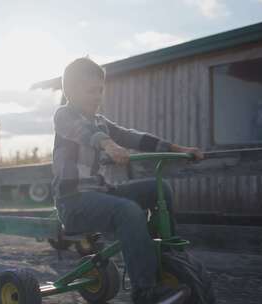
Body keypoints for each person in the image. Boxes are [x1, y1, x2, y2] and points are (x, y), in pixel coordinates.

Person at [52, 57, 204, 304]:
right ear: (70, 91)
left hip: (100, 193)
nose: (97, 96)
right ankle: (145, 291)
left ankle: (166, 260)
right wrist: (108, 144)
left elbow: (134, 138)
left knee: (159, 188)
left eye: (100, 90)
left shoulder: (101, 122)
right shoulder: (64, 116)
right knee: (128, 211)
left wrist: (179, 148)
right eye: (91, 91)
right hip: (73, 202)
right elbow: (84, 132)